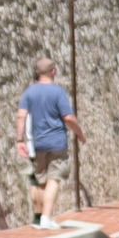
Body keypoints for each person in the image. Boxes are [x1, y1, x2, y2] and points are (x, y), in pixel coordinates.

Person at [17, 56, 81, 228]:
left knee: (40, 180)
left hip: (37, 144)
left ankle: (39, 217)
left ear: (37, 73)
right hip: (56, 143)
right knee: (55, 178)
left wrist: (19, 139)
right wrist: (80, 134)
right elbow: (68, 118)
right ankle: (46, 217)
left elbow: (21, 116)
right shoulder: (58, 92)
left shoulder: (29, 92)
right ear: (54, 71)